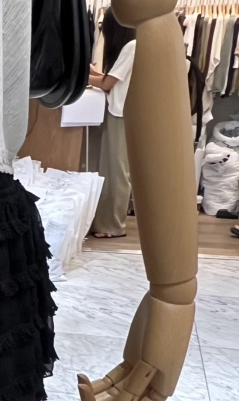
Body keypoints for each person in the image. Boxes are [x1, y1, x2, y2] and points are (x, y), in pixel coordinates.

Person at [89, 13, 138, 239]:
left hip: (121, 113)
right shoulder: (134, 45)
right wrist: (94, 74)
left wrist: (78, 77)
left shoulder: (131, 47)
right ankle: (106, 222)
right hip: (122, 112)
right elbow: (113, 79)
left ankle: (114, 225)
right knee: (112, 169)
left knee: (116, 171)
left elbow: (108, 84)